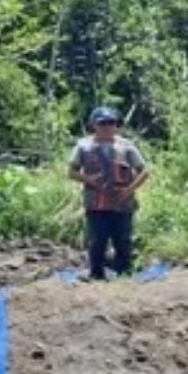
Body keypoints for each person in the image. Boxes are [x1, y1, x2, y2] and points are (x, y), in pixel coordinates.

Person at [68, 107, 150, 280]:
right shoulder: (83, 146)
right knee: (97, 241)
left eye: (111, 123)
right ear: (94, 125)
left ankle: (124, 274)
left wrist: (129, 190)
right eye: (103, 123)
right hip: (96, 203)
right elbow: (71, 172)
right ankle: (96, 274)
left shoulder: (126, 146)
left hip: (122, 202)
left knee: (123, 240)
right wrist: (88, 179)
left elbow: (144, 172)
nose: (107, 127)